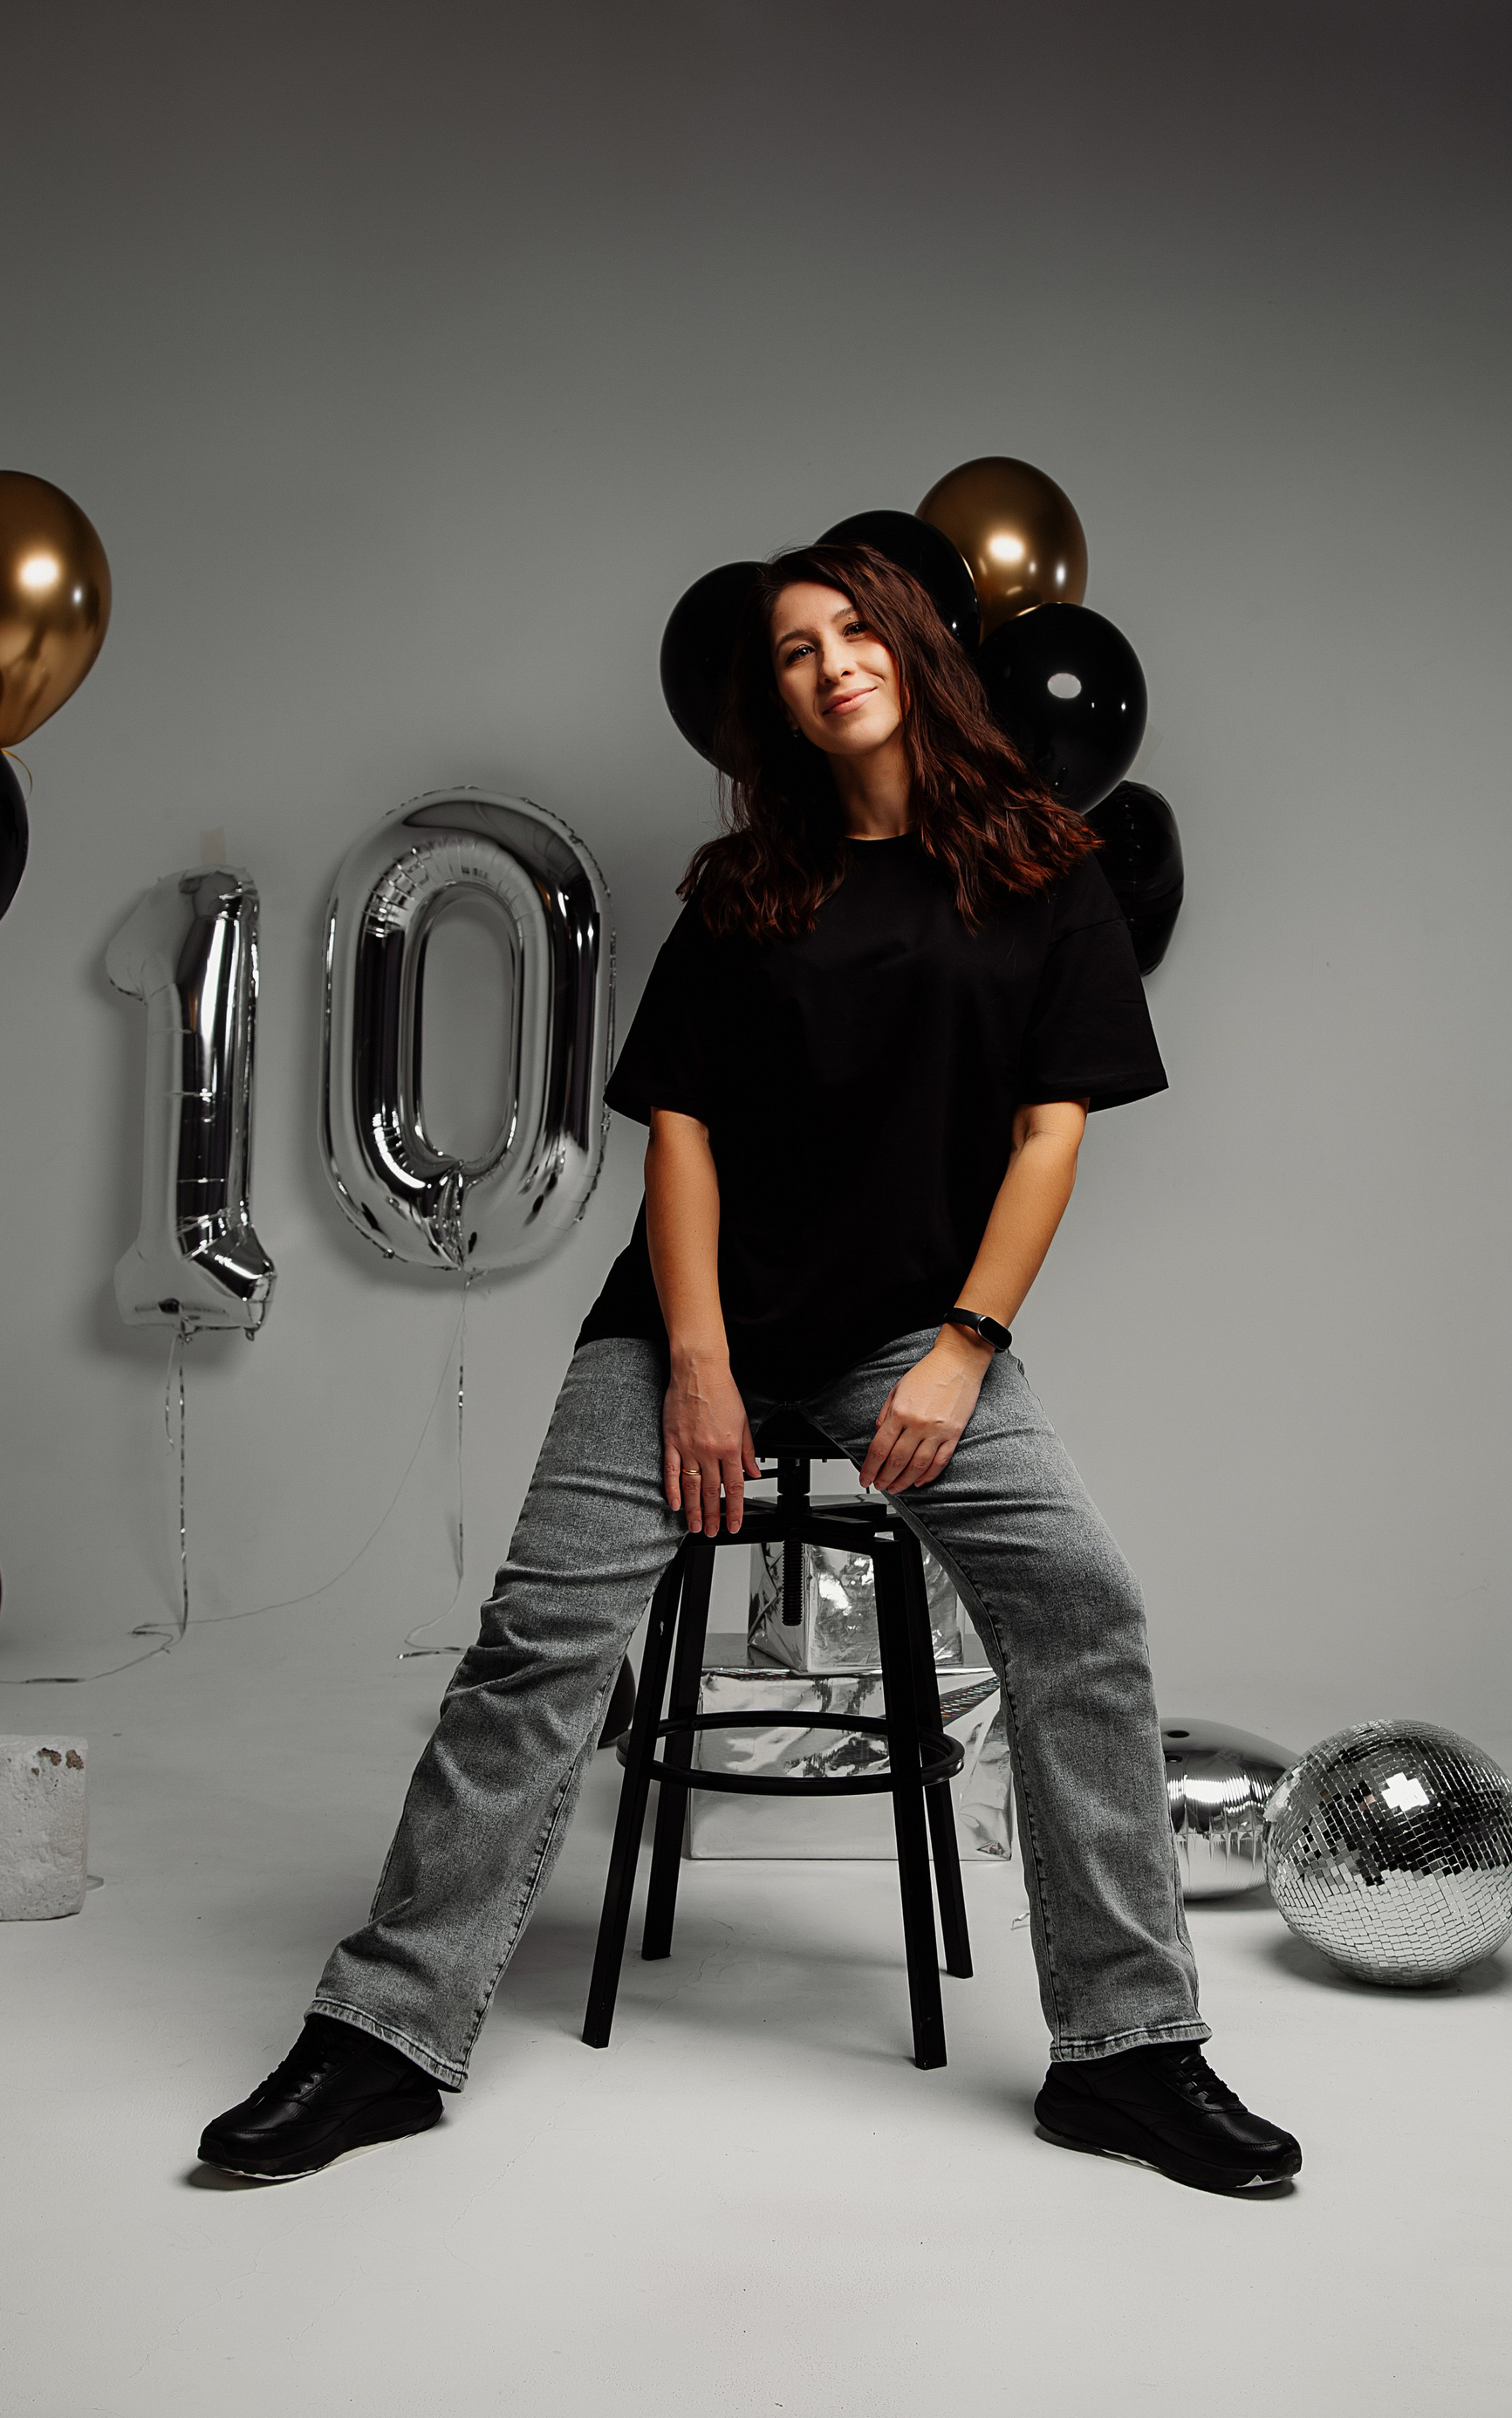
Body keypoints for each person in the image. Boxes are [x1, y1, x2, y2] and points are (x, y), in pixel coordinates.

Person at [199, 544, 1302, 2197]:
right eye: (795, 650)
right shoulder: (745, 887)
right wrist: (697, 1368)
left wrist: (963, 1350)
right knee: (538, 1645)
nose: (832, 664)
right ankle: (383, 2037)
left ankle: (1128, 2054)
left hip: (914, 1333)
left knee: (1086, 1609)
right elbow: (685, 1135)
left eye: (857, 631)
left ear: (914, 650)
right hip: (689, 1321)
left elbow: (1047, 1136)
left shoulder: (1045, 874)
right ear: (775, 700)